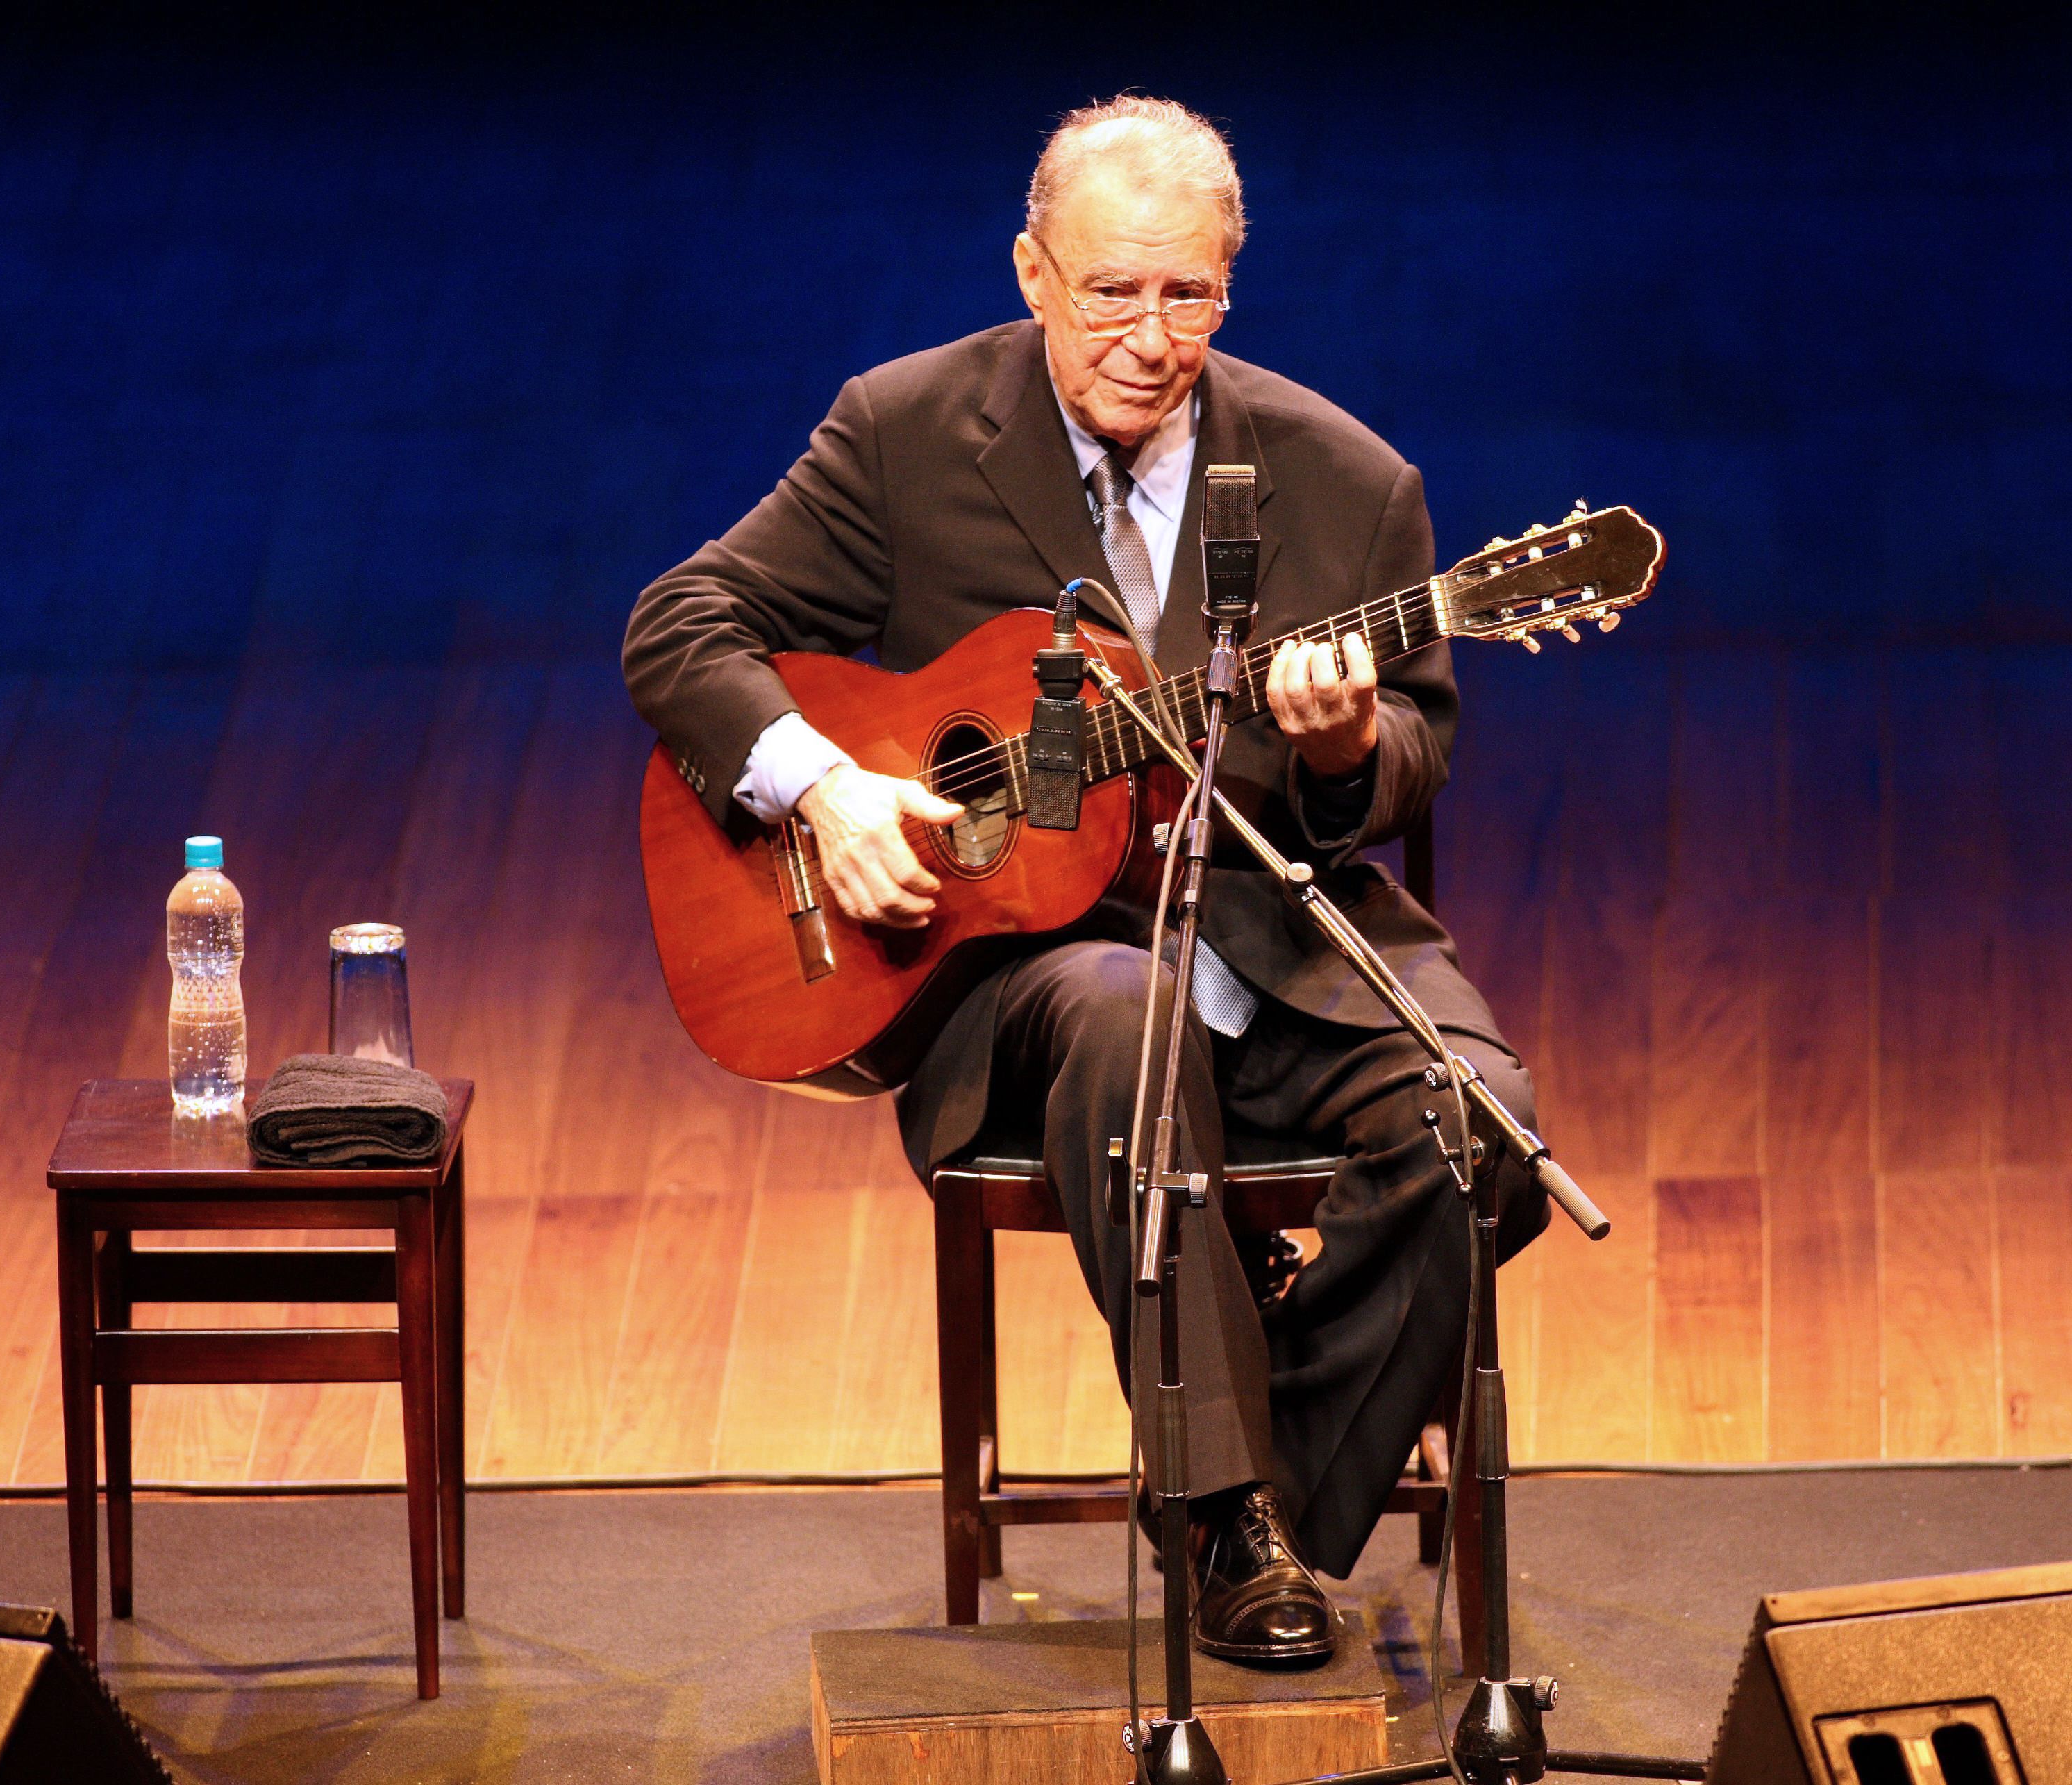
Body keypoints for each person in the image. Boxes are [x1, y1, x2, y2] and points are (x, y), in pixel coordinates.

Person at [624, 95, 1546, 1665]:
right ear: (1034, 274)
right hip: (1028, 979)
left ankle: (1247, 1473)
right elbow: (681, 624)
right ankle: (1223, 1521)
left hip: (1280, 936)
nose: (1147, 335)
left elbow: (1411, 757)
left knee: (1485, 1136)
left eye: (1186, 295)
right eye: (1111, 291)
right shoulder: (907, 429)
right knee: (1125, 1010)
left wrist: (1336, 749)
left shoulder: (1346, 481)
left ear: (1231, 286)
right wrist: (832, 787)